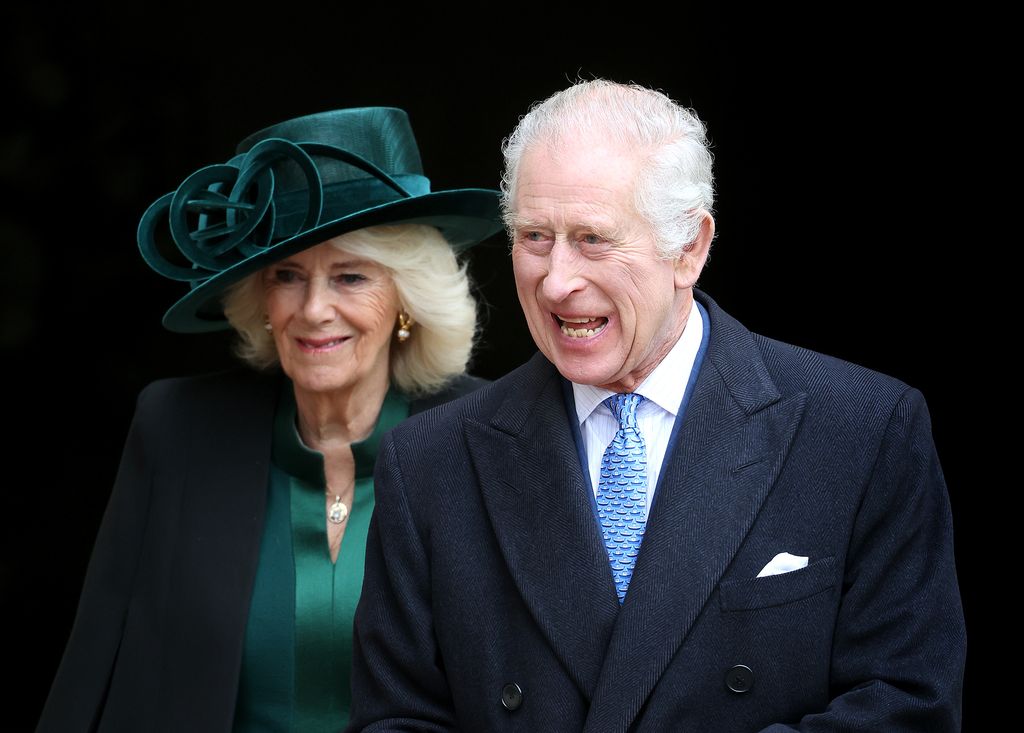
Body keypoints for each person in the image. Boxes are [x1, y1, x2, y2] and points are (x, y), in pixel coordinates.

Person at [347, 80, 966, 731]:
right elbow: (396, 718)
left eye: (592, 238)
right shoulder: (429, 462)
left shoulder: (861, 432)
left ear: (690, 248)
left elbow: (905, 704)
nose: (557, 280)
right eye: (534, 235)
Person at [35, 106, 504, 732]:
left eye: (350, 276)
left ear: (406, 301)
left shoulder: (489, 438)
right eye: (288, 276)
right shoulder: (178, 429)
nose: (314, 310)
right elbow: (93, 672)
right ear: (261, 300)